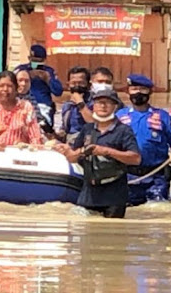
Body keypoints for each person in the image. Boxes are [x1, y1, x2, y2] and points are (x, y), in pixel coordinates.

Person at [55, 88, 141, 218]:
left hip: (114, 196)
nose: (103, 106)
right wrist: (67, 151)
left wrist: (107, 151)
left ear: (115, 106)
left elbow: (136, 159)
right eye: (99, 102)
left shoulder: (124, 130)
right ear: (93, 106)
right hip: (88, 194)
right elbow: (73, 157)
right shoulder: (87, 129)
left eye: (108, 102)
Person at [116, 74, 171, 206]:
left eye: (143, 89)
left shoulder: (162, 116)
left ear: (150, 92)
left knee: (158, 213)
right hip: (127, 177)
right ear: (127, 91)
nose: (138, 92)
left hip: (156, 178)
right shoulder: (119, 117)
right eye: (134, 88)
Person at [14, 45, 63, 126]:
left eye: (39, 61)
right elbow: (12, 83)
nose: (36, 63)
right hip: (21, 104)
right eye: (34, 60)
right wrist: (27, 76)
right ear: (29, 58)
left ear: (44, 60)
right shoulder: (21, 69)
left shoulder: (49, 71)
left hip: (43, 106)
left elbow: (58, 92)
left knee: (41, 125)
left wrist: (48, 79)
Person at [59, 66, 94, 144]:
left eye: (81, 83)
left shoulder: (94, 102)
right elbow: (65, 128)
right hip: (70, 140)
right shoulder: (67, 105)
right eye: (73, 83)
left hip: (87, 139)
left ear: (88, 85)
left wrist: (80, 103)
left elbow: (92, 122)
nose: (77, 86)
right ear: (68, 85)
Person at [15, 68, 53, 137]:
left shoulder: (31, 98)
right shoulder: (9, 99)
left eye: (27, 81)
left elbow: (38, 118)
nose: (23, 84)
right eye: (20, 80)